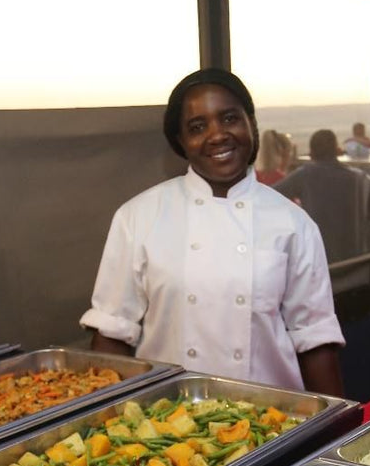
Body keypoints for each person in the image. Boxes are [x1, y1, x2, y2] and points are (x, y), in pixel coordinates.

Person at [82, 68, 345, 395]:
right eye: (197, 127)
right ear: (181, 142)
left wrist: (342, 428)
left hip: (273, 419)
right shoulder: (138, 217)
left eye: (230, 118)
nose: (217, 135)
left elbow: (315, 339)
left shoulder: (294, 224)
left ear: (251, 123)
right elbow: (111, 333)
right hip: (167, 420)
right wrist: (99, 419)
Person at [274, 129, 370, 263]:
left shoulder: (305, 175)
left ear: (311, 154)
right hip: (354, 266)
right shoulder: (362, 180)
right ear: (338, 151)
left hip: (317, 262)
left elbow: (269, 196)